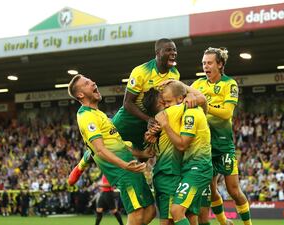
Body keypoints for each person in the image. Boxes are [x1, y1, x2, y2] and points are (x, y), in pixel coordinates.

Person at [68, 38, 181, 184]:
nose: (173, 53)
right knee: (103, 144)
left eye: (174, 50)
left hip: (149, 121)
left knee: (145, 156)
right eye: (169, 50)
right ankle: (81, 165)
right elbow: (127, 103)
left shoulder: (175, 74)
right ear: (158, 53)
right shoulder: (141, 71)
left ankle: (143, 185)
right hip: (128, 118)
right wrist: (148, 119)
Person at [67, 74, 156, 225]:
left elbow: (118, 144)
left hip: (130, 167)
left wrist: (141, 153)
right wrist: (124, 165)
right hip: (123, 171)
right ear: (81, 94)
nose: (93, 82)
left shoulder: (99, 114)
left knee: (151, 211)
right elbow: (100, 150)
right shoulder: (86, 116)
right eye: (87, 83)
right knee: (138, 213)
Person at [192, 47, 252, 225]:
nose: (205, 66)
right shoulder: (197, 85)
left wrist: (205, 105)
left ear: (220, 64)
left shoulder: (229, 84)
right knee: (210, 189)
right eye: (203, 63)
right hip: (204, 146)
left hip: (224, 144)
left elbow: (227, 113)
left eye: (209, 63)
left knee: (233, 190)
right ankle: (224, 222)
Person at [143, 81, 207, 225]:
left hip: (172, 174)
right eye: (165, 101)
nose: (167, 104)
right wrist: (188, 92)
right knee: (178, 218)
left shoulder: (158, 120)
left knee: (186, 217)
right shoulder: (170, 112)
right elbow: (203, 99)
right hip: (171, 175)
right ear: (161, 101)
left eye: (168, 101)